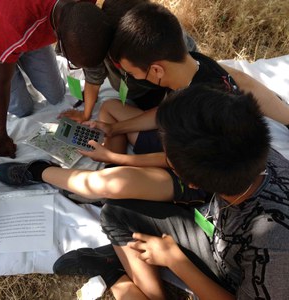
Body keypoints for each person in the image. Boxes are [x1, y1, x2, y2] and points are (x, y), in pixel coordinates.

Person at [55, 85, 289, 299]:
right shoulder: (247, 145)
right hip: (218, 232)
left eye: (167, 156)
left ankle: (112, 273)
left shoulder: (272, 248)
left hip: (232, 276)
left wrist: (175, 261)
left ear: (192, 183)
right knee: (114, 212)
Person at [80, 2, 289, 166]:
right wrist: (115, 129)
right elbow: (163, 111)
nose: (132, 77)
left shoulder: (191, 111)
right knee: (111, 107)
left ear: (156, 70)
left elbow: (172, 162)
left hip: (187, 165)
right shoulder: (198, 63)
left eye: (132, 73)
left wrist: (115, 158)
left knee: (111, 186)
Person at [0, 0, 108, 158]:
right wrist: (1, 135)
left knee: (56, 93)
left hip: (27, 25)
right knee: (22, 109)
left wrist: (86, 114)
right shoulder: (13, 24)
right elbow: (1, 82)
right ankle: (1, 55)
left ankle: (14, 53)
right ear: (59, 38)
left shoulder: (79, 12)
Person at [59, 0, 198, 122]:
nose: (129, 72)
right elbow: (93, 76)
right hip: (140, 94)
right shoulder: (99, 40)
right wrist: (86, 114)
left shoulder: (166, 39)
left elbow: (184, 71)